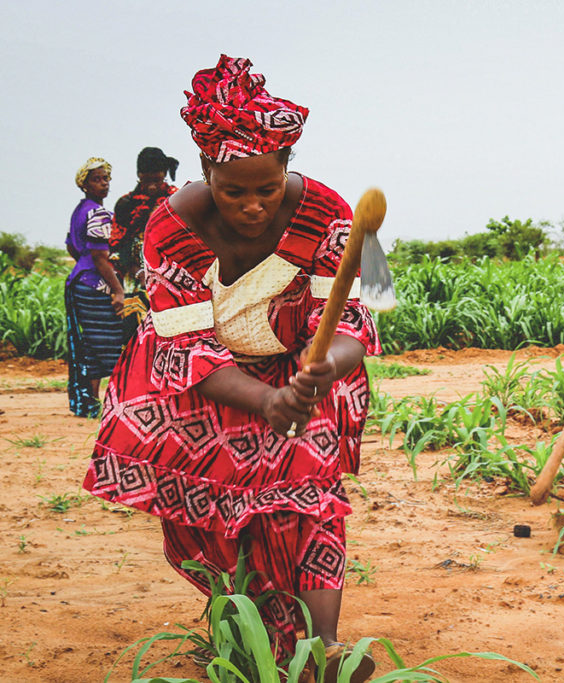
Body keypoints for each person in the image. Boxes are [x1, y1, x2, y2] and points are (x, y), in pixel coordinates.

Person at [82, 55, 379, 681]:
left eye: (267, 190)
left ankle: (322, 650)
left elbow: (354, 315)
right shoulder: (170, 225)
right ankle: (251, 620)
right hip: (196, 386)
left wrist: (327, 367)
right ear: (206, 172)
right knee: (212, 520)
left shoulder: (328, 213)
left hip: (299, 373)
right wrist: (264, 402)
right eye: (233, 190)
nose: (252, 206)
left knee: (313, 500)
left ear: (287, 171)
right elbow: (186, 346)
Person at [65, 158, 125, 417]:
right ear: (84, 184)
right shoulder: (99, 214)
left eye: (106, 179)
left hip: (78, 282)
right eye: (97, 179)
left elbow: (70, 244)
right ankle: (105, 405)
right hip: (95, 286)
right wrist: (118, 290)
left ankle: (88, 403)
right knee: (107, 343)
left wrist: (84, 262)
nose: (104, 184)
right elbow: (101, 257)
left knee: (87, 345)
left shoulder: (81, 210)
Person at [111, 147, 179, 337]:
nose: (151, 186)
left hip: (172, 280)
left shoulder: (176, 200)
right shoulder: (126, 204)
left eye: (156, 181)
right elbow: (118, 246)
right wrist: (139, 272)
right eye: (146, 180)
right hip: (135, 281)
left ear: (165, 175)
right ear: (139, 175)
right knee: (135, 335)